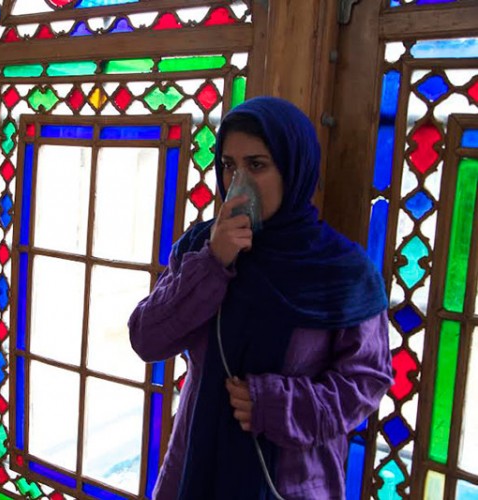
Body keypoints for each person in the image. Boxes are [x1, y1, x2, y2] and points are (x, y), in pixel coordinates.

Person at [129, 97, 392, 499]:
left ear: (293, 169)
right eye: (229, 165)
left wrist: (277, 404)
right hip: (196, 466)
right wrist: (213, 264)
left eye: (256, 165)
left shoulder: (342, 270)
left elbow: (366, 382)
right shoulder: (202, 246)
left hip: (291, 480)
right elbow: (147, 338)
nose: (239, 183)